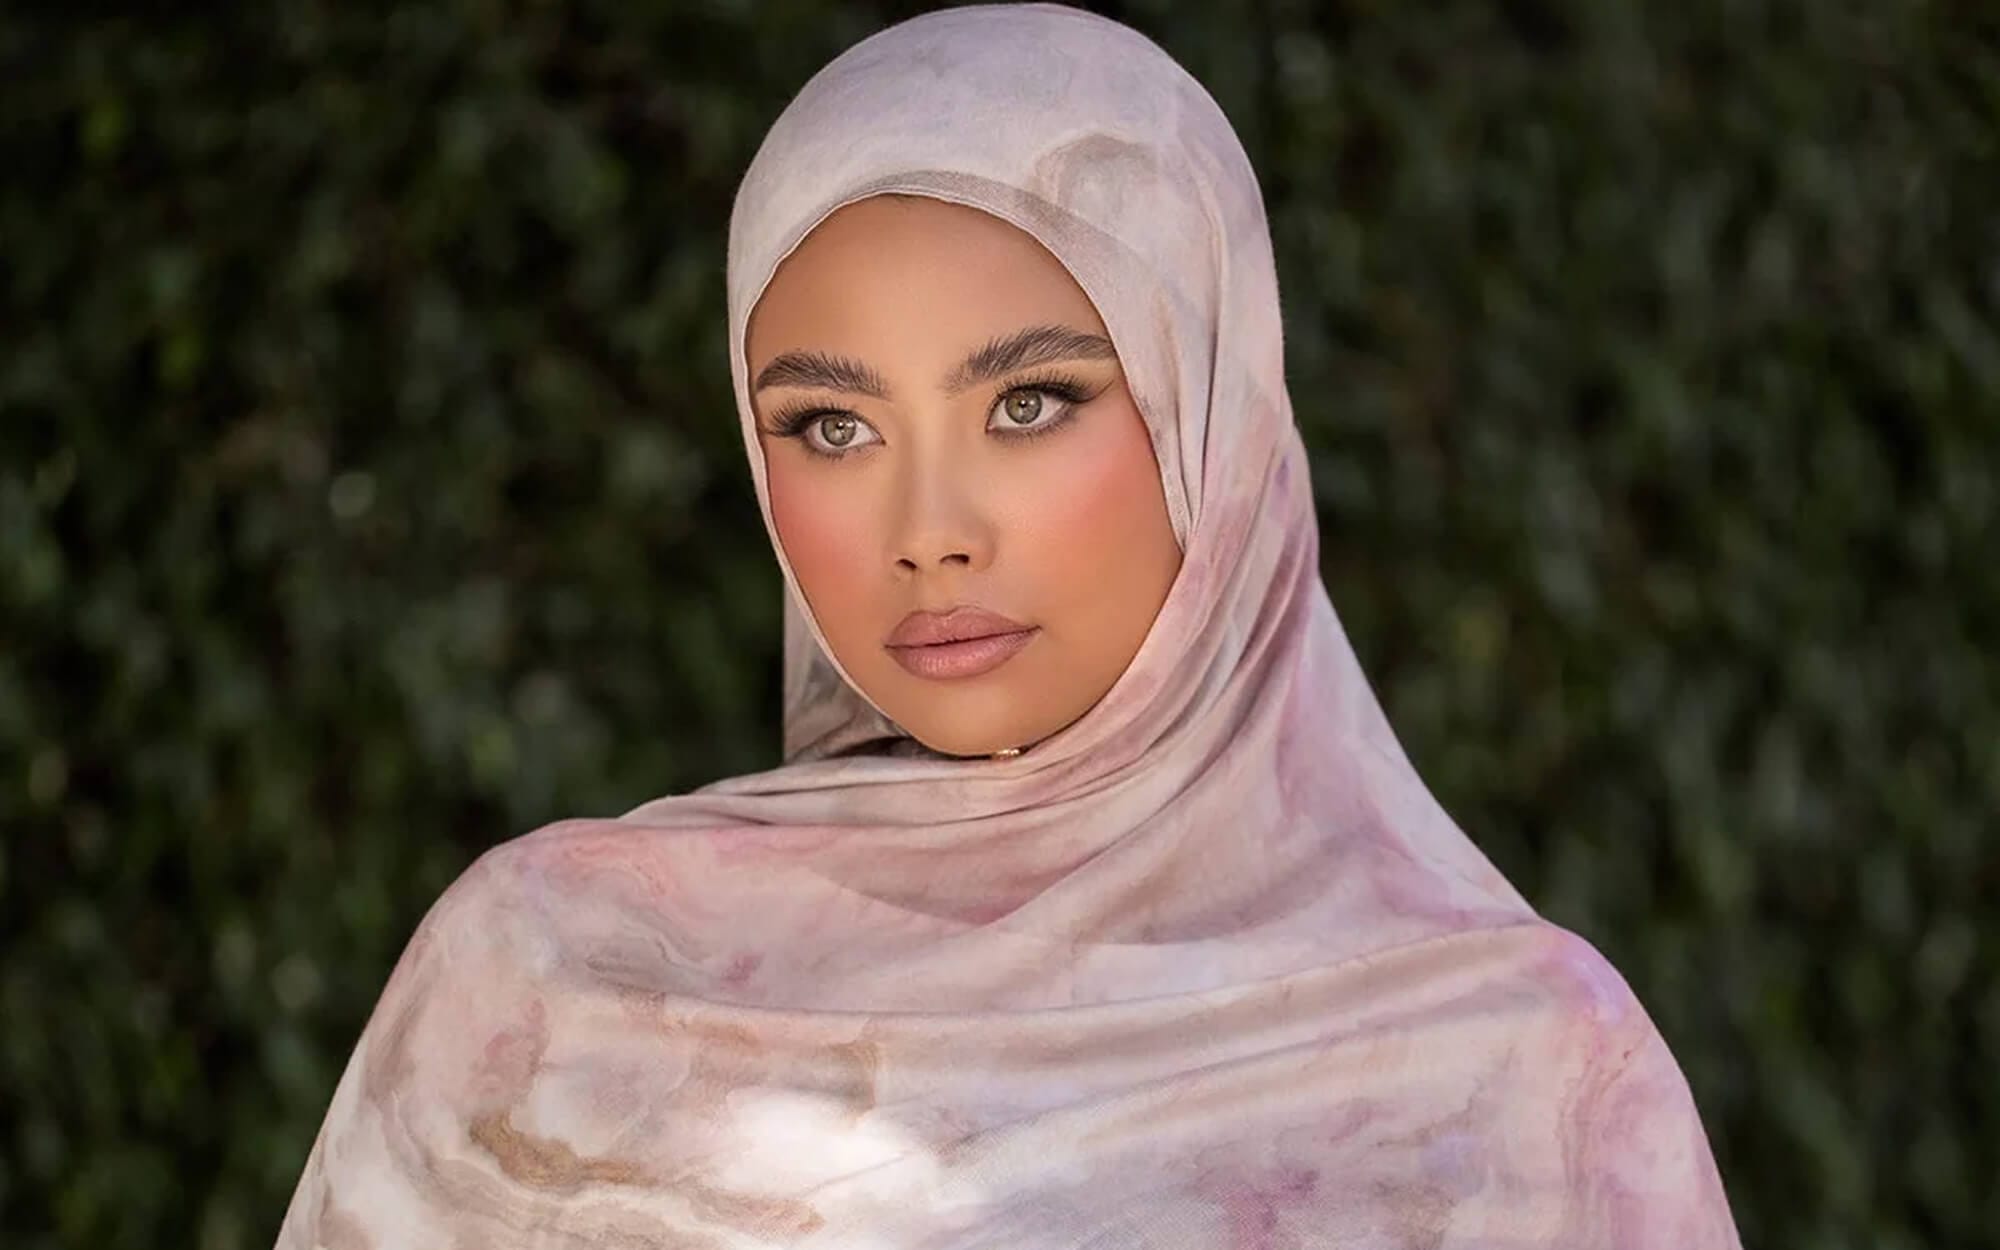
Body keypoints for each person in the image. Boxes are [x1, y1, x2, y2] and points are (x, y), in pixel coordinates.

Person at [275, 5, 1742, 1246]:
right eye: (832, 424)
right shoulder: (542, 979)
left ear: (1214, 419)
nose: (930, 526)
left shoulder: (1523, 1079)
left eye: (1029, 402)